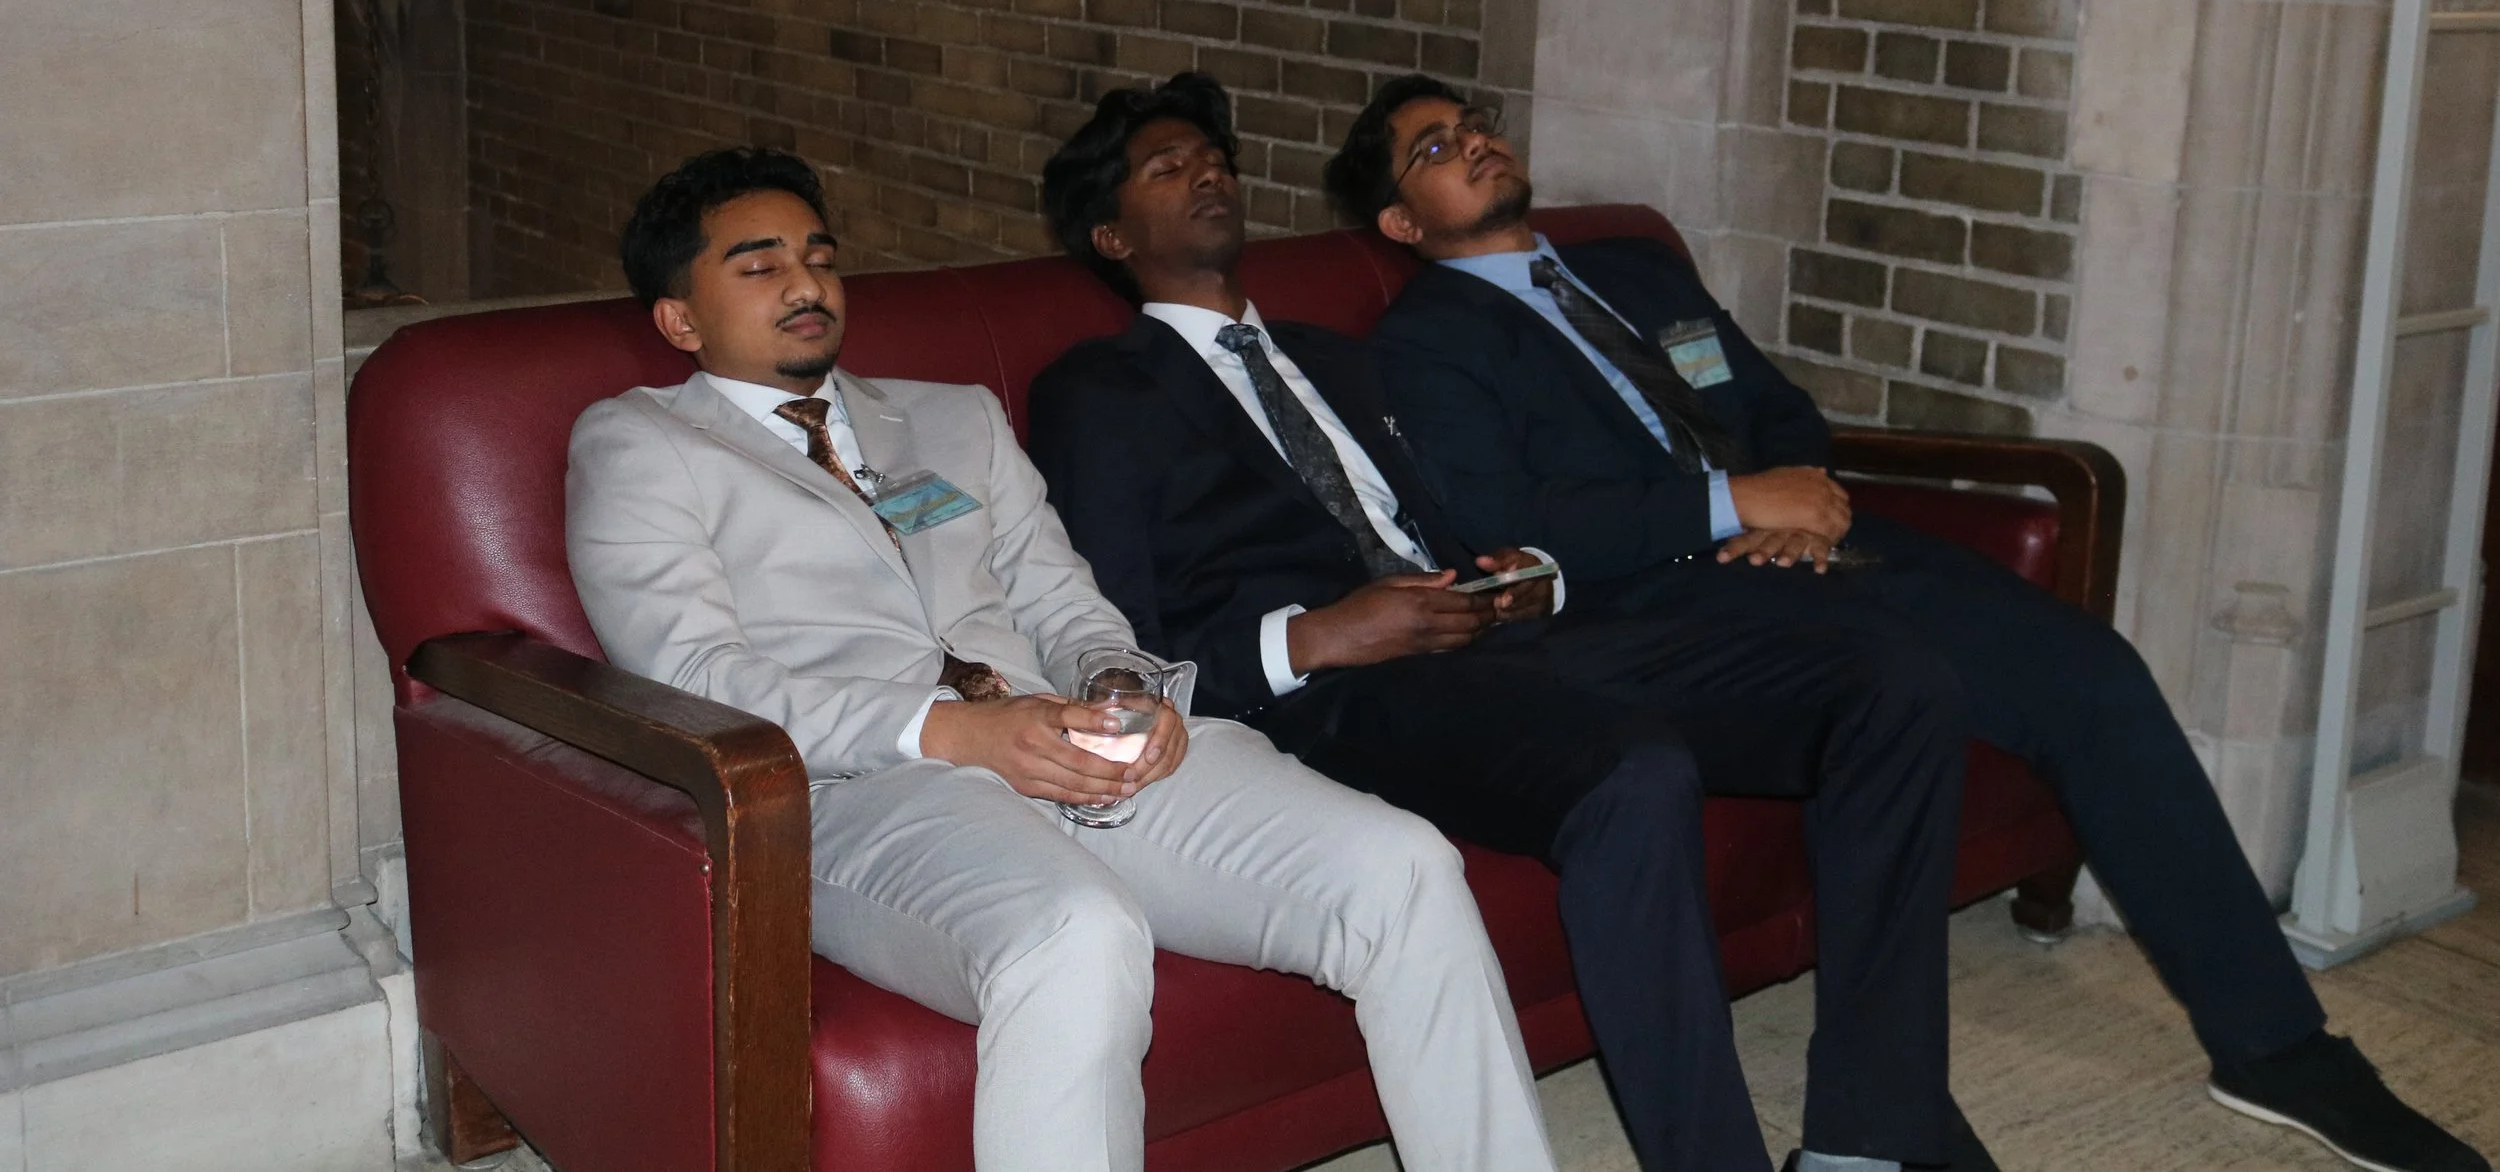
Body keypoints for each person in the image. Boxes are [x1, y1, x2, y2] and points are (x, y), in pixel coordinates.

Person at [1326, 73, 2492, 1172]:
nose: (1474, 141)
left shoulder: (1631, 267)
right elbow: (1515, 524)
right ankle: (1879, 1126)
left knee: (2090, 671)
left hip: (1814, 545)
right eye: (1435, 147)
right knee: (1890, 681)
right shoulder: (1427, 342)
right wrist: (1736, 503)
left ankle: (2277, 1046)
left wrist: (1801, 495)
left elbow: (1776, 404)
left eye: (1474, 121)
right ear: (1399, 223)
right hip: (1665, 592)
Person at [1026, 74, 1984, 1172]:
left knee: (1891, 688)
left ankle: (1867, 1140)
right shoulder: (1097, 392)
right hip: (1341, 690)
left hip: (1502, 631)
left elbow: (1477, 517)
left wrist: (1537, 574)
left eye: (1214, 160)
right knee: (1633, 772)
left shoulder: (1339, 356)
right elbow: (1113, 629)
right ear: (1111, 235)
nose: (1207, 176)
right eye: (1167, 168)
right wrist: (1319, 635)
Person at [564, 146, 1559, 1172]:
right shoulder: (641, 444)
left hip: (1070, 737)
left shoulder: (954, 416)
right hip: (858, 789)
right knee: (1077, 932)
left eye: (819, 255)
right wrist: (955, 730)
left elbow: (1064, 601)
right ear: (679, 318)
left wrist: (1118, 684)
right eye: (760, 264)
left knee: (1403, 866)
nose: (807, 283)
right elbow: (693, 676)